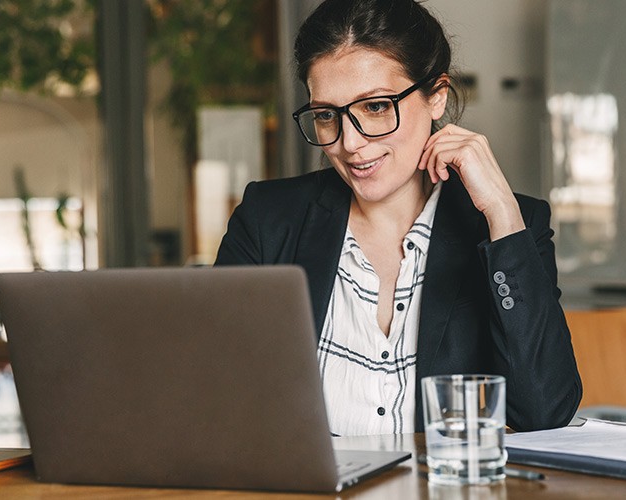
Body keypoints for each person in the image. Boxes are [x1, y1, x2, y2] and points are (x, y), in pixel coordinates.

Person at [215, 0, 581, 435]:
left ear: (436, 96)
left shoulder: (515, 226)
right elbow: (213, 393)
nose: (349, 143)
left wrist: (502, 213)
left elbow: (542, 411)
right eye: (327, 115)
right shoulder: (267, 220)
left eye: (375, 107)